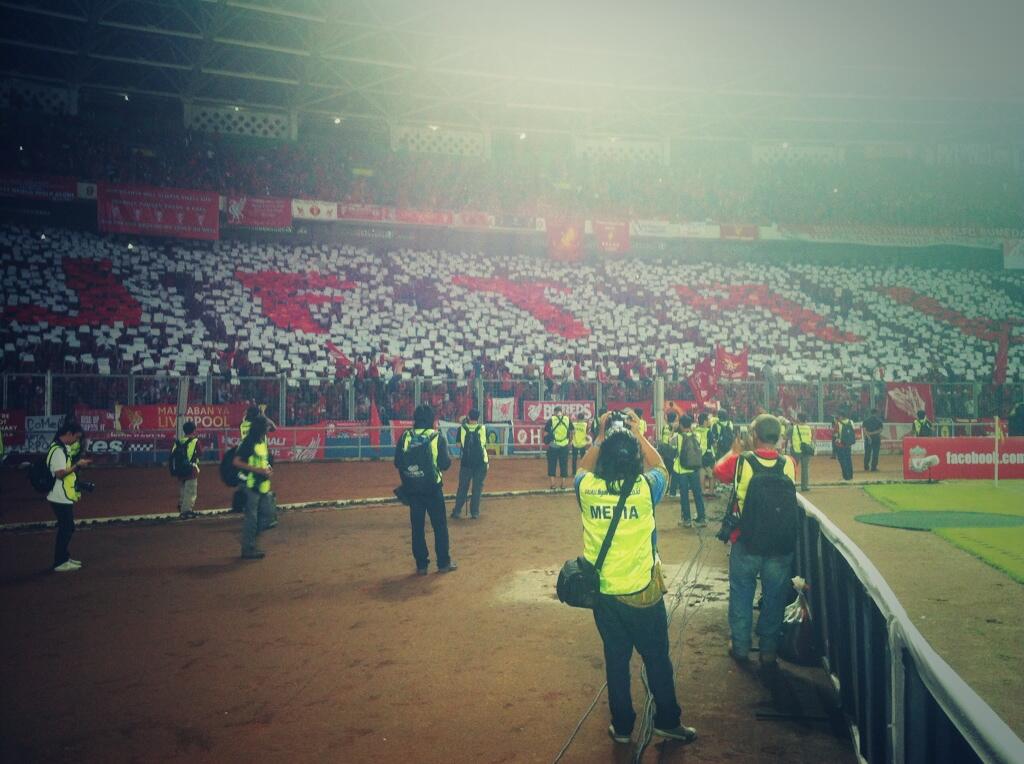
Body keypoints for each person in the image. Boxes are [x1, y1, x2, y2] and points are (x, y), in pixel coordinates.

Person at [574, 410, 697, 746]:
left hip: (604, 594)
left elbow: (582, 469)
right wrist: (639, 434)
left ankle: (623, 727)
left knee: (616, 661)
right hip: (642, 594)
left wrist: (601, 435)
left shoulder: (588, 489)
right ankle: (668, 720)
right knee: (656, 658)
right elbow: (661, 468)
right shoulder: (645, 489)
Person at [713, 414, 798, 668]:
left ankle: (740, 647)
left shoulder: (741, 461)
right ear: (779, 438)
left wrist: (733, 450)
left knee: (741, 593)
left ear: (754, 436)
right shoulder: (789, 463)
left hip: (746, 540)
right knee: (774, 595)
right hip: (779, 543)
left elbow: (718, 471)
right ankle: (768, 651)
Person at [395, 404, 457, 575]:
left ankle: (422, 565)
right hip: (433, 489)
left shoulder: (406, 436)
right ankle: (443, 563)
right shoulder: (437, 438)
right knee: (440, 527)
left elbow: (397, 463)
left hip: (413, 490)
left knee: (417, 528)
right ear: (432, 419)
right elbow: (445, 464)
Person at [46, 421, 92, 572]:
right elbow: (60, 474)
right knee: (66, 528)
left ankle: (64, 558)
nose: (76, 441)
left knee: (67, 527)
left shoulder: (60, 448)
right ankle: (60, 561)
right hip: (59, 495)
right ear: (68, 434)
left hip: (61, 494)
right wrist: (77, 465)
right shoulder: (58, 451)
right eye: (76, 437)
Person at [232, 416, 278, 560]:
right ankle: (248, 547)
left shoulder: (260, 439)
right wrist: (258, 470)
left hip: (262, 484)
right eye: (265, 426)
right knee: (252, 517)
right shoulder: (249, 442)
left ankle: (249, 538)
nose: (268, 429)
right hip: (250, 484)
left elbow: (274, 427)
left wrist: (268, 468)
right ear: (260, 428)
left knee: (269, 516)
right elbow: (236, 462)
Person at [451, 409, 488, 520]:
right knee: (477, 488)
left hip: (466, 462)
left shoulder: (462, 428)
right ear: (478, 417)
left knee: (462, 488)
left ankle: (457, 511)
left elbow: (458, 445)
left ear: (468, 416)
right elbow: (483, 444)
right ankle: (475, 512)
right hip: (480, 463)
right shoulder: (482, 428)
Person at [672, 415, 706, 528]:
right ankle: (702, 518)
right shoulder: (697, 435)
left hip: (682, 470)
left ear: (681, 425)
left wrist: (673, 430)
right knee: (697, 494)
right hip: (694, 469)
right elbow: (702, 449)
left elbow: (672, 448)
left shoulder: (677, 437)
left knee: (684, 496)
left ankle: (686, 520)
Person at [172, 421, 201, 519]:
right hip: (191, 469)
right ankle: (186, 511)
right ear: (194, 430)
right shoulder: (195, 441)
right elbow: (200, 453)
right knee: (191, 491)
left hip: (180, 469)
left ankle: (182, 506)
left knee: (183, 489)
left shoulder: (178, 441)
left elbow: (173, 454)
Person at [545, 405, 571, 490]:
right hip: (564, 445)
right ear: (561, 412)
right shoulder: (567, 419)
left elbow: (545, 433)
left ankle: (553, 484)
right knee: (564, 464)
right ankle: (563, 484)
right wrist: (570, 442)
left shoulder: (551, 420)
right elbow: (572, 431)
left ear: (554, 412)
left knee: (552, 464)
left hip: (554, 445)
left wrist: (547, 441)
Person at [790, 412, 814, 492]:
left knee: (793, 468)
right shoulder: (808, 428)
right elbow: (811, 438)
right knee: (805, 469)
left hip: (796, 450)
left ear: (798, 419)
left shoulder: (793, 428)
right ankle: (805, 486)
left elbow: (785, 436)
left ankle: (791, 485)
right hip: (806, 450)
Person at [659, 411, 679, 496]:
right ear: (674, 418)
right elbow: (673, 439)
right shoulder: (673, 427)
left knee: (667, 471)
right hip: (671, 451)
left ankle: (665, 490)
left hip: (664, 450)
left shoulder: (665, 427)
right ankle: (671, 491)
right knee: (673, 471)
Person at [834, 410, 856, 481]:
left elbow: (835, 434)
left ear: (841, 416)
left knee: (842, 461)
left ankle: (845, 477)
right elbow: (853, 431)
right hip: (848, 444)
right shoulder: (851, 422)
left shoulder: (838, 424)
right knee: (849, 460)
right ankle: (850, 476)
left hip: (840, 444)